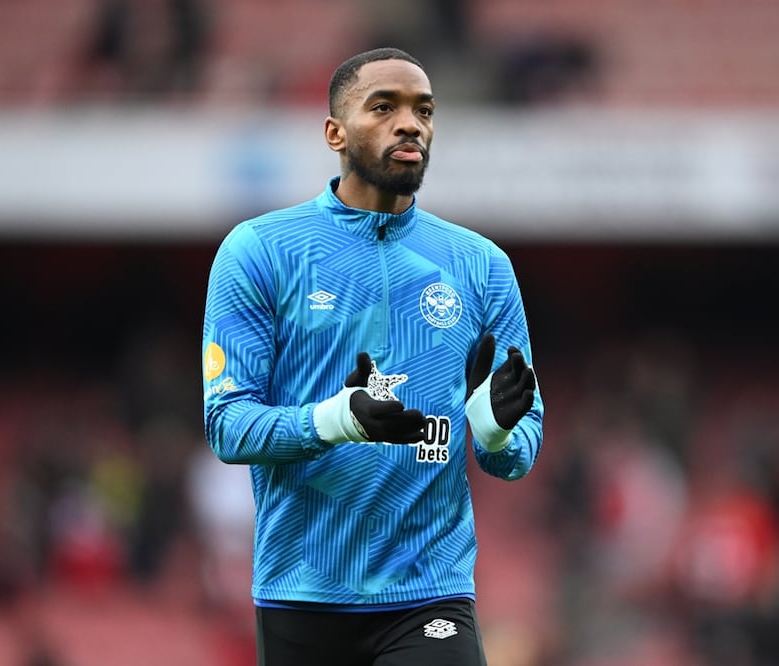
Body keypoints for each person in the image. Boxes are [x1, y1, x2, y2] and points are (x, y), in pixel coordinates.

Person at [200, 46, 544, 666]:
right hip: (301, 593)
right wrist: (336, 420)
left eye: (424, 110)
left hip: (429, 593)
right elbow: (226, 426)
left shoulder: (481, 267)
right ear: (334, 131)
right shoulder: (259, 251)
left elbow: (518, 453)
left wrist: (494, 434)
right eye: (383, 106)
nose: (410, 123)